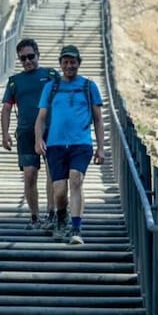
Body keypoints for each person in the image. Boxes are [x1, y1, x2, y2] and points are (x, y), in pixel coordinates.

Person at [34, 45, 104, 245]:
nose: (69, 66)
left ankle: (76, 228)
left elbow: (98, 119)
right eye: (65, 62)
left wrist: (101, 147)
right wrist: (38, 139)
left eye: (73, 62)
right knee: (59, 190)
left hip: (80, 143)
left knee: (76, 179)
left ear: (79, 63)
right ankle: (61, 216)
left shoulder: (89, 87)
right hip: (55, 144)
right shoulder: (51, 87)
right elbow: (41, 118)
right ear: (60, 64)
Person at [0, 38, 59, 230]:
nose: (27, 61)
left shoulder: (51, 75)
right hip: (25, 132)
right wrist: (5, 133)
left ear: (38, 55)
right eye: (23, 58)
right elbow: (7, 108)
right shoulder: (14, 82)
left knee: (52, 171)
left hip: (51, 130)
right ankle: (34, 217)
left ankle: (51, 213)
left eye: (30, 57)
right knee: (30, 174)